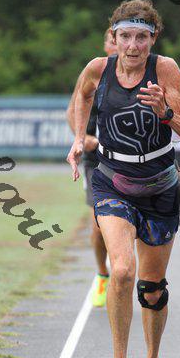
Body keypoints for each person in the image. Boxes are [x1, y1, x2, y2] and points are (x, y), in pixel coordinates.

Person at [67, 0, 180, 358]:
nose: (133, 45)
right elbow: (81, 97)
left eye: (142, 36)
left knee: (152, 287)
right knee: (122, 270)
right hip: (113, 182)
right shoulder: (98, 69)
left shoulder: (166, 70)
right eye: (125, 36)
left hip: (159, 185)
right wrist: (78, 138)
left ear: (152, 38)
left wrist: (165, 112)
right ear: (114, 36)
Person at [67, 29, 117, 307]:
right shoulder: (94, 72)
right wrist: (81, 138)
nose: (121, 45)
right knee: (99, 224)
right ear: (107, 44)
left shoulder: (145, 73)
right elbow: (72, 111)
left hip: (130, 160)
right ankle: (102, 274)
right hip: (96, 159)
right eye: (113, 40)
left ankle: (131, 275)